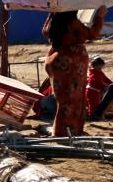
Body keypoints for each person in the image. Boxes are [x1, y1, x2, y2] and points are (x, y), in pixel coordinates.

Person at [43, 7, 106, 137]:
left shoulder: (54, 18)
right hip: (71, 64)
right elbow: (91, 34)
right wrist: (99, 17)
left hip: (56, 60)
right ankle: (69, 133)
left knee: (63, 100)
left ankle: (62, 131)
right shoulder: (72, 22)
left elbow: (45, 32)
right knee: (74, 101)